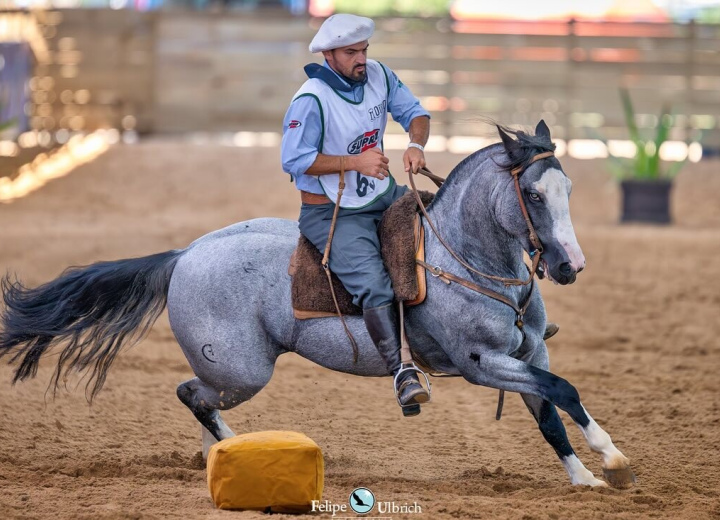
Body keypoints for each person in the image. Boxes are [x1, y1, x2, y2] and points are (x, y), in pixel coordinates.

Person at [281, 14, 431, 413]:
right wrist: (354, 162)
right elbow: (294, 160)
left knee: (442, 217)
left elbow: (415, 112)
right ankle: (401, 371)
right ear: (329, 54)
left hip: (383, 192)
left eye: (364, 50)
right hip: (332, 212)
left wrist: (417, 145)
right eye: (352, 53)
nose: (362, 59)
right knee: (375, 286)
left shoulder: (380, 75)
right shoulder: (310, 99)